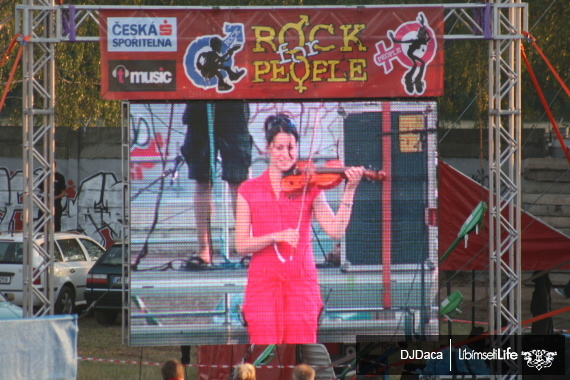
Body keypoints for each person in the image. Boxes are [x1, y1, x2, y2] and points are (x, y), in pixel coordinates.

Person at [235, 114, 364, 344]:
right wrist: (276, 236)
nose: (286, 154)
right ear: (267, 149)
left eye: (291, 147)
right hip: (263, 284)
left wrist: (350, 190)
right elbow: (241, 245)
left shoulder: (309, 186)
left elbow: (335, 230)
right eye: (279, 148)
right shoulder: (248, 189)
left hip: (301, 283)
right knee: (267, 358)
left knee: (302, 357)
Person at [181, 101, 252, 265]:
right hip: (199, 107)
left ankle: (248, 248)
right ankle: (204, 250)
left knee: (239, 182)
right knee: (202, 180)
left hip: (233, 107)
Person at [38, 162, 67, 232]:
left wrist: (55, 197)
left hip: (55, 204)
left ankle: (55, 238)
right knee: (41, 223)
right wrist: (39, 195)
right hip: (44, 204)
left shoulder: (60, 177)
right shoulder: (43, 176)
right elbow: (41, 190)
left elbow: (64, 193)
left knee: (56, 224)